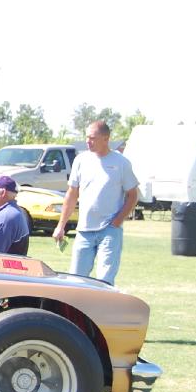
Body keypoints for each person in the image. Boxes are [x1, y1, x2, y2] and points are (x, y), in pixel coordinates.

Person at [53, 120, 139, 285]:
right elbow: (72, 194)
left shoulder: (121, 162)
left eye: (92, 138)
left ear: (106, 139)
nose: (88, 141)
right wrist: (61, 226)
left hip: (109, 230)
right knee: (76, 280)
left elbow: (133, 195)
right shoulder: (81, 160)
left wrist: (117, 222)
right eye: (87, 137)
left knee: (104, 281)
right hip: (84, 230)